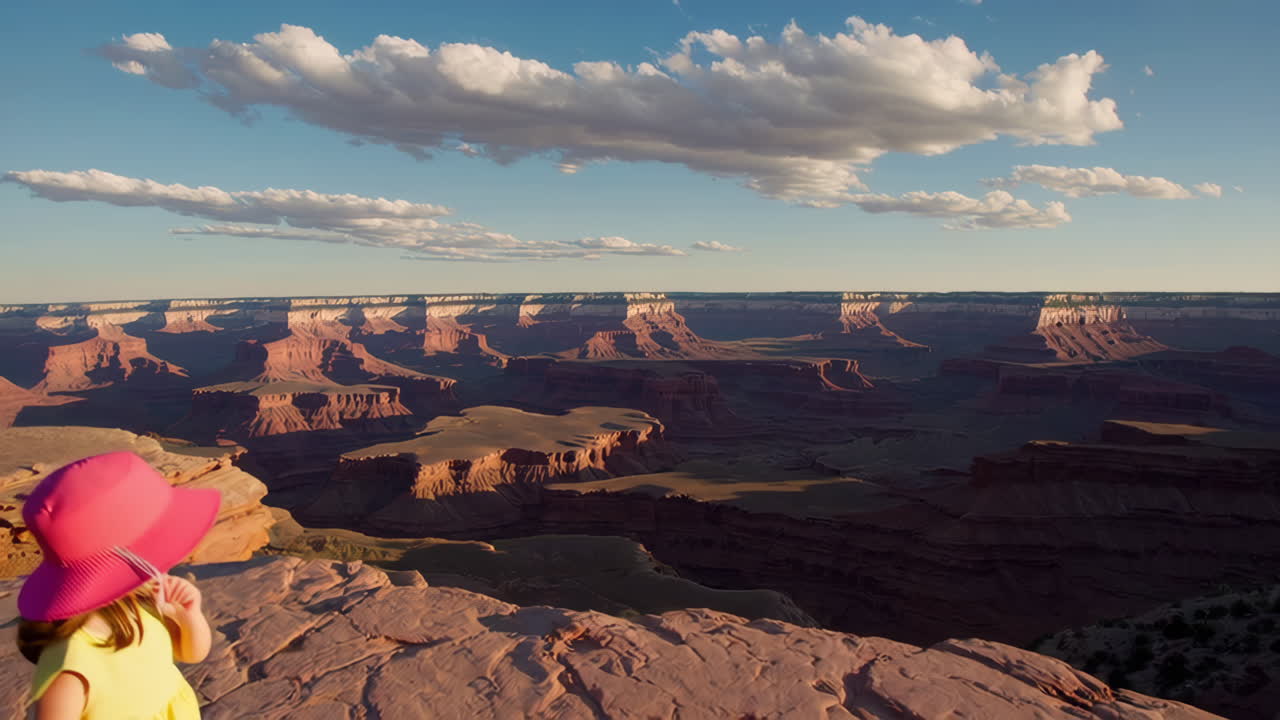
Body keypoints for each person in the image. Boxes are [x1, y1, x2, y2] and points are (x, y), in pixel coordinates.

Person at [14, 450, 223, 719]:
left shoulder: (143, 601)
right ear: (127, 558)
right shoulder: (71, 672)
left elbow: (192, 654)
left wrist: (189, 616)